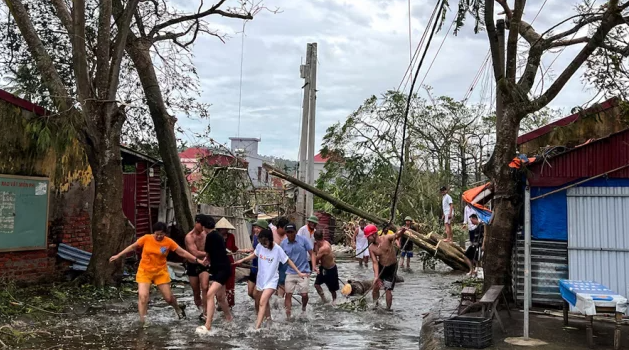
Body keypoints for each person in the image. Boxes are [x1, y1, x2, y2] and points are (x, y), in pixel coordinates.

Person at [109, 222, 201, 324]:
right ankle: (143, 321)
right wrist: (118, 255)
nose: (158, 236)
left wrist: (197, 260)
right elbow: (132, 247)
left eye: (161, 234)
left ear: (165, 233)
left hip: (160, 272)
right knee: (143, 297)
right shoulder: (146, 238)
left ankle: (178, 308)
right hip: (145, 271)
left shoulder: (169, 242)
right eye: (157, 234)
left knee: (169, 298)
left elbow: (182, 252)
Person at [234, 229, 307, 329]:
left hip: (272, 281)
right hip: (261, 279)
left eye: (265, 242)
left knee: (262, 301)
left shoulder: (277, 249)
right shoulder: (260, 246)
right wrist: (242, 260)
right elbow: (254, 255)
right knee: (263, 300)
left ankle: (257, 327)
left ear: (270, 239)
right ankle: (269, 321)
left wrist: (298, 272)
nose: (264, 245)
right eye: (261, 242)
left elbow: (287, 260)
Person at [197, 215, 233, 333]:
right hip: (221, 268)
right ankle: (229, 318)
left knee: (210, 294)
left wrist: (205, 260)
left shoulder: (210, 236)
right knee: (221, 297)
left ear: (203, 226)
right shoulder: (217, 235)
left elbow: (207, 253)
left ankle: (208, 325)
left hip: (221, 269)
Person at [366, 224, 407, 310]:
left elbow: (396, 235)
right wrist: (376, 276)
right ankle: (375, 305)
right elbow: (375, 262)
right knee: (376, 287)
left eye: (368, 237)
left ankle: (388, 309)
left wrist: (402, 231)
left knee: (388, 290)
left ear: (374, 234)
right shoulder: (371, 248)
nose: (368, 239)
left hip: (391, 267)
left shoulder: (386, 238)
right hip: (381, 266)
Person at [281, 223, 316, 318]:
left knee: (304, 294)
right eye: (287, 232)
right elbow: (280, 258)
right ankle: (288, 315)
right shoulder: (283, 243)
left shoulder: (303, 240)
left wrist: (314, 266)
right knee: (288, 294)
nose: (289, 234)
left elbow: (312, 253)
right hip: (290, 272)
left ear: (295, 232)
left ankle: (303, 308)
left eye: (291, 232)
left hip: (304, 271)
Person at [216, 217, 249, 308]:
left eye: (226, 228)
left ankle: (229, 304)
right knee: (219, 284)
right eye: (223, 228)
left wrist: (244, 250)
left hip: (230, 262)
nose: (225, 230)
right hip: (218, 263)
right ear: (219, 229)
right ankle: (219, 302)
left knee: (230, 284)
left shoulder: (231, 236)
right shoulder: (215, 236)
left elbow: (234, 248)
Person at [185, 215, 210, 318]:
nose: (203, 228)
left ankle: (206, 311)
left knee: (204, 287)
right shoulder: (189, 237)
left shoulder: (206, 234)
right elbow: (194, 252)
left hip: (204, 264)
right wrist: (209, 253)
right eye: (202, 225)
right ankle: (200, 308)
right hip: (192, 264)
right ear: (196, 223)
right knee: (196, 291)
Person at [247, 219, 267, 314]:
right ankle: (263, 305)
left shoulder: (267, 241)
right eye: (255, 227)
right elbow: (254, 250)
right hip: (254, 268)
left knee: (256, 294)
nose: (256, 229)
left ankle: (259, 314)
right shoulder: (255, 237)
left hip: (262, 271)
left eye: (258, 227)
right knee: (250, 293)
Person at [313, 231, 339, 305]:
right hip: (323, 268)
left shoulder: (324, 247)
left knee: (332, 290)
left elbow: (316, 260)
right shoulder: (322, 244)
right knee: (316, 285)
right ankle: (324, 299)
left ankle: (334, 302)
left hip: (331, 269)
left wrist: (314, 265)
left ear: (316, 239)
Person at [275, 217, 290, 298]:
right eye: (285, 229)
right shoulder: (271, 231)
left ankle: (280, 299)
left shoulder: (288, 235)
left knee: (282, 281)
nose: (286, 231)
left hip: (283, 261)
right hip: (273, 261)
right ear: (280, 227)